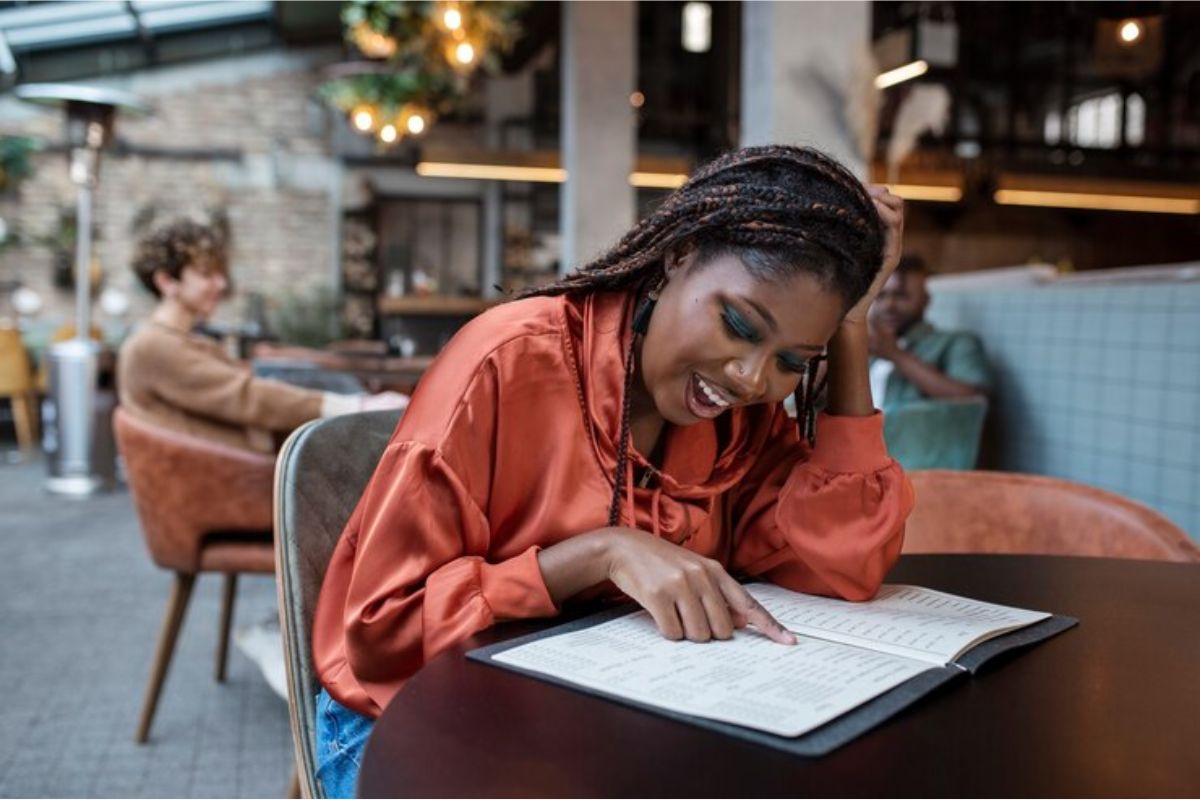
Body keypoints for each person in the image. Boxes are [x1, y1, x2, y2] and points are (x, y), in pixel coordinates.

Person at [310, 145, 915, 797]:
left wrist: (851, 326)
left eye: (793, 362)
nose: (750, 377)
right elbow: (381, 632)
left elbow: (844, 565)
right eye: (738, 324)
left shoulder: (745, 420)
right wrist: (598, 553)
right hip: (407, 724)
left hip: (597, 725)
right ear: (678, 255)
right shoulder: (508, 362)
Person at [118, 218, 406, 454]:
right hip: (236, 479)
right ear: (167, 281)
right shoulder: (152, 346)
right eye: (207, 274)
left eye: (221, 273)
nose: (221, 283)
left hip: (244, 467)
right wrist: (353, 407)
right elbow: (245, 396)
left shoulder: (180, 341)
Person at [866, 255, 992, 410]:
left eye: (901, 296)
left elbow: (974, 401)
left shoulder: (955, 343)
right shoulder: (867, 347)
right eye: (881, 296)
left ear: (925, 300)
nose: (888, 305)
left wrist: (894, 354)